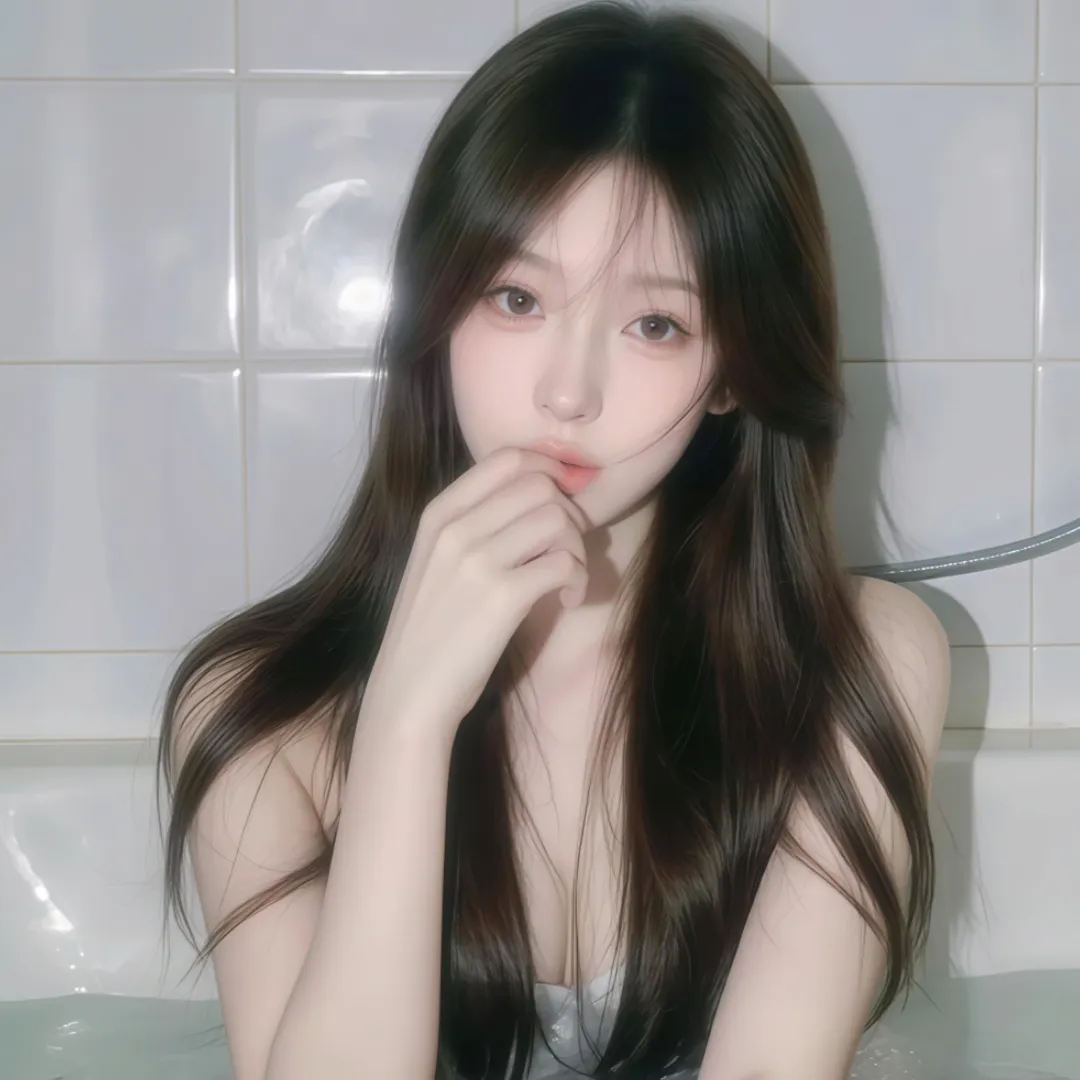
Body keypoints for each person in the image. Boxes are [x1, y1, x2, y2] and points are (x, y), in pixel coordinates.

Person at [157, 3, 950, 1078]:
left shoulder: (860, 662)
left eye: (655, 324)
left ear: (734, 370)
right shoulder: (258, 715)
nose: (567, 392)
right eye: (517, 297)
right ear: (440, 313)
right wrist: (404, 724)